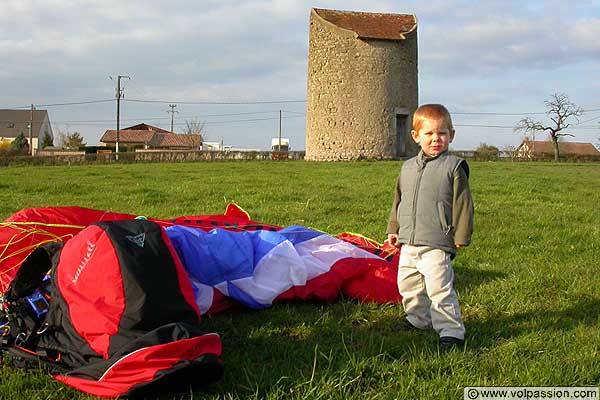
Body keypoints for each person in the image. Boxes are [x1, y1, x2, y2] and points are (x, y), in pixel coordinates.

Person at [386, 104, 474, 351]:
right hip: (408, 242)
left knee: (439, 289)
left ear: (451, 135)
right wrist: (394, 228)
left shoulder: (454, 167)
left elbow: (463, 203)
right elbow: (398, 200)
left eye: (442, 133)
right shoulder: (407, 167)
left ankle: (451, 332)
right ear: (415, 136)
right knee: (408, 285)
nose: (436, 139)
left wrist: (462, 234)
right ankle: (418, 319)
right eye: (429, 133)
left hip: (437, 240)